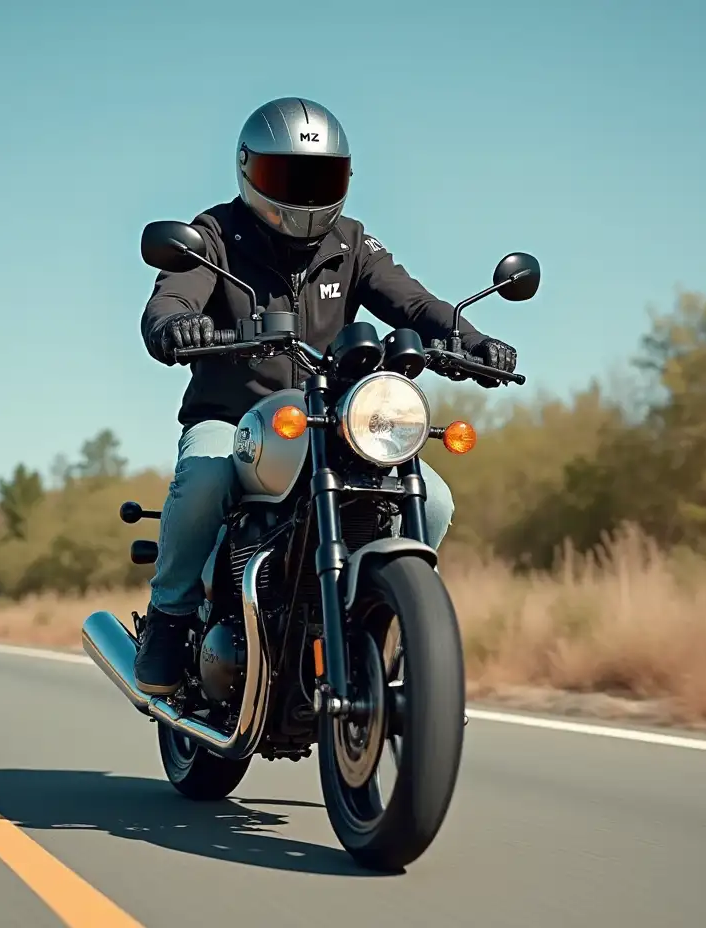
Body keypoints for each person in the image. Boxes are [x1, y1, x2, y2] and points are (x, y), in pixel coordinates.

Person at [133, 97, 518, 696]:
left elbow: (414, 304)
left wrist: (471, 339)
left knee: (434, 500)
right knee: (205, 479)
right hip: (235, 420)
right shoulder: (214, 236)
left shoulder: (352, 243)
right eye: (287, 177)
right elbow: (172, 300)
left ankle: (377, 622)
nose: (304, 193)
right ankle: (171, 616)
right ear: (248, 170)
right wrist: (177, 325)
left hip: (332, 420)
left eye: (321, 177)